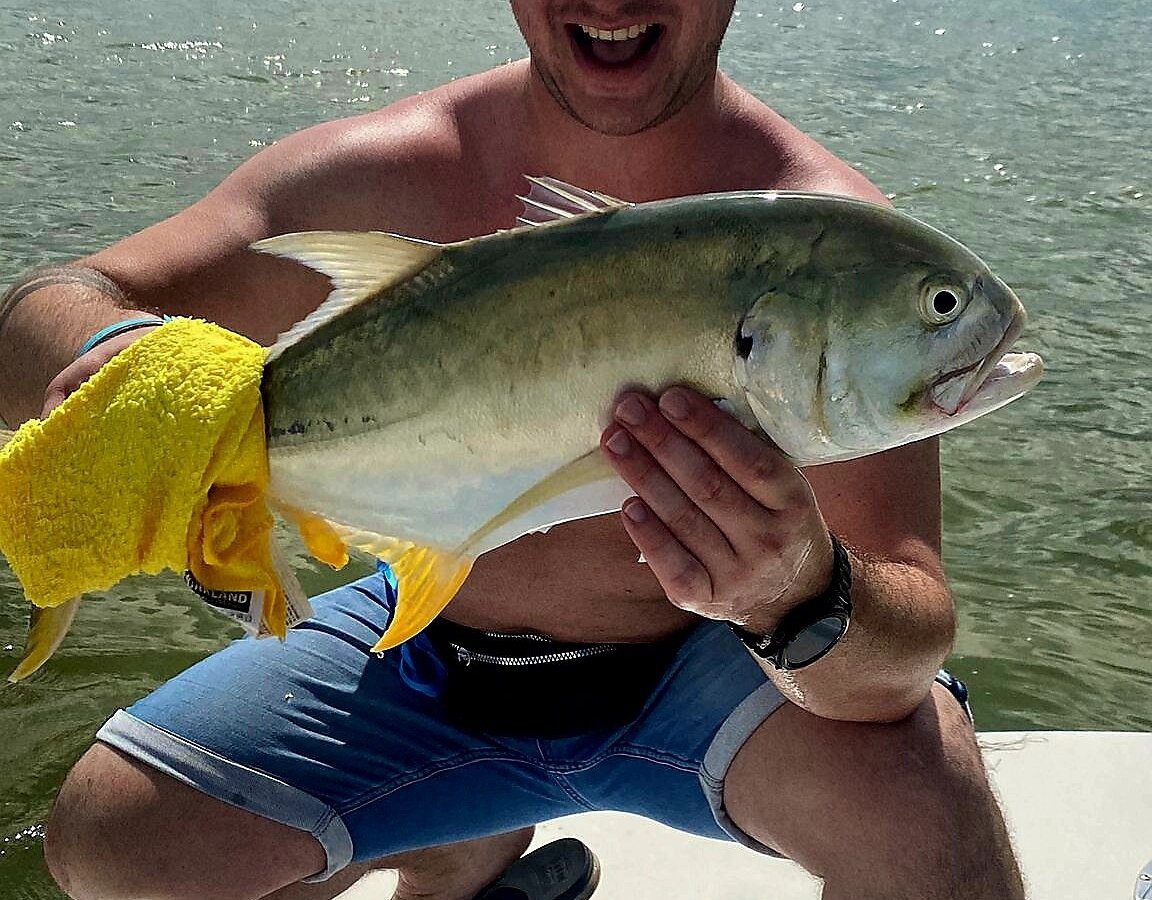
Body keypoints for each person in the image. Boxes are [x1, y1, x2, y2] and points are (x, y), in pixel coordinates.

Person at [0, 2, 1025, 898]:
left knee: (935, 840)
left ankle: (459, 843)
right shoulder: (385, 172)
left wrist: (798, 590)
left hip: (702, 673)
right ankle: (460, 860)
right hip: (425, 652)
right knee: (111, 847)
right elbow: (35, 316)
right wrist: (121, 357)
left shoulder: (837, 243)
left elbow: (898, 659)